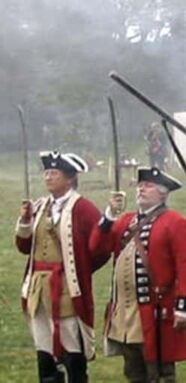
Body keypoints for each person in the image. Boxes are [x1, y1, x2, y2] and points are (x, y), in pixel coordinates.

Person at [89, 167, 186, 382]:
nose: (141, 189)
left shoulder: (175, 222)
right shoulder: (125, 221)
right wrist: (109, 215)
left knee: (160, 371)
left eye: (148, 186)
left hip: (157, 311)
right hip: (127, 313)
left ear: (163, 193)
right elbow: (97, 247)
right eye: (140, 186)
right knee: (134, 371)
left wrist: (183, 309)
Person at [15, 151, 106, 383]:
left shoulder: (84, 208)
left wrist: (81, 270)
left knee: (70, 344)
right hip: (39, 287)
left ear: (69, 178)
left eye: (54, 173)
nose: (48, 177)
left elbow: (101, 249)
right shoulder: (40, 206)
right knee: (44, 344)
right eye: (46, 172)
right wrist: (25, 221)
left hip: (66, 288)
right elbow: (24, 247)